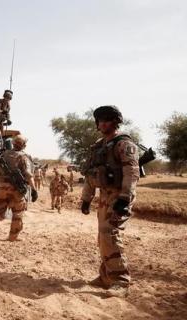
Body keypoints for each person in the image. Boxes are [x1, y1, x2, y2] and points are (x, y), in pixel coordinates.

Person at [81, 105, 139, 297]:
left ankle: (120, 281)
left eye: (107, 120)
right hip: (105, 196)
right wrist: (86, 199)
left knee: (111, 234)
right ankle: (106, 275)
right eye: (100, 120)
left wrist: (125, 198)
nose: (103, 123)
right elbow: (91, 173)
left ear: (115, 122)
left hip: (119, 195)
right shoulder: (99, 145)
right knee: (103, 237)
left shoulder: (124, 144)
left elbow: (131, 173)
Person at [0, 135, 37, 241]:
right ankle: (12, 237)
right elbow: (28, 175)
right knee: (17, 213)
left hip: (1, 188)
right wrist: (34, 190)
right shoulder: (24, 156)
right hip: (17, 190)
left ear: (13, 143)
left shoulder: (3, 155)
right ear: (24, 145)